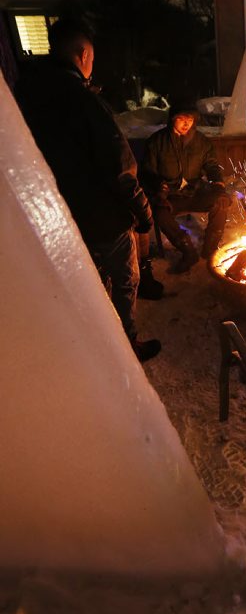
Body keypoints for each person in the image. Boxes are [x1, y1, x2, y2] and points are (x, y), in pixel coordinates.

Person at [15, 18, 161, 362]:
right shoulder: (83, 101)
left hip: (58, 218)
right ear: (82, 54)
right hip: (103, 218)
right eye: (92, 57)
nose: (92, 64)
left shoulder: (25, 96)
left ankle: (95, 347)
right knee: (125, 281)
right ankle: (125, 346)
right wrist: (142, 211)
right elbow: (119, 165)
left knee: (88, 285)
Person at [140, 99, 231, 272]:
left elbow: (211, 165)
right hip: (170, 195)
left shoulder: (201, 141)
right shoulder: (157, 142)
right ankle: (188, 251)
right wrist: (158, 186)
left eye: (190, 119)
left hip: (194, 190)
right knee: (159, 213)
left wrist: (218, 181)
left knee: (221, 201)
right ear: (173, 119)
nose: (186, 123)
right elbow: (146, 171)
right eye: (182, 118)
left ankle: (210, 249)